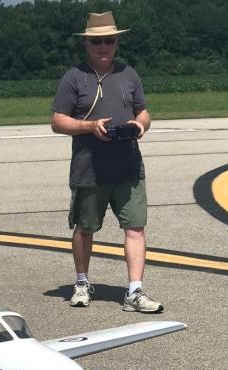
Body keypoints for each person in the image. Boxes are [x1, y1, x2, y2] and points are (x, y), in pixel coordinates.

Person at [50, 11, 164, 313]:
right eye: (97, 41)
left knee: (135, 227)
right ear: (87, 44)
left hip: (128, 167)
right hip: (90, 170)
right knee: (85, 228)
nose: (104, 46)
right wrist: (90, 127)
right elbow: (58, 121)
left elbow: (144, 112)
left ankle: (134, 291)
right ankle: (82, 282)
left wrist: (140, 125)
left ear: (117, 43)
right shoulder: (74, 77)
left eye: (109, 40)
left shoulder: (129, 74)